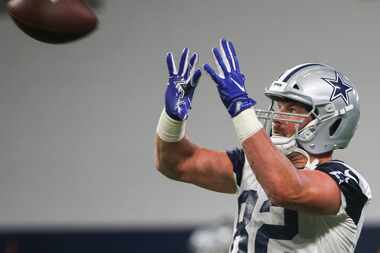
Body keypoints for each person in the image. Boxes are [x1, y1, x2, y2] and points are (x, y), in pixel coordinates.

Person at [155, 38, 371, 253]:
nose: (277, 117)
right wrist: (172, 120)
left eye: (292, 109)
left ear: (329, 120)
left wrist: (240, 108)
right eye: (279, 105)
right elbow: (177, 163)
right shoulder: (253, 165)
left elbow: (286, 190)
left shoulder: (347, 182)